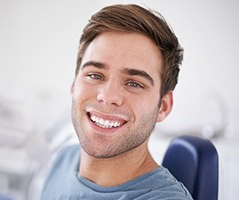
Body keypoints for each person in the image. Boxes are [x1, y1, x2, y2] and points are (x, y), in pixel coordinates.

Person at [40, 3, 193, 200]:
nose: (108, 96)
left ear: (163, 106)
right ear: (73, 85)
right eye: (95, 75)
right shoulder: (64, 160)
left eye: (134, 84)